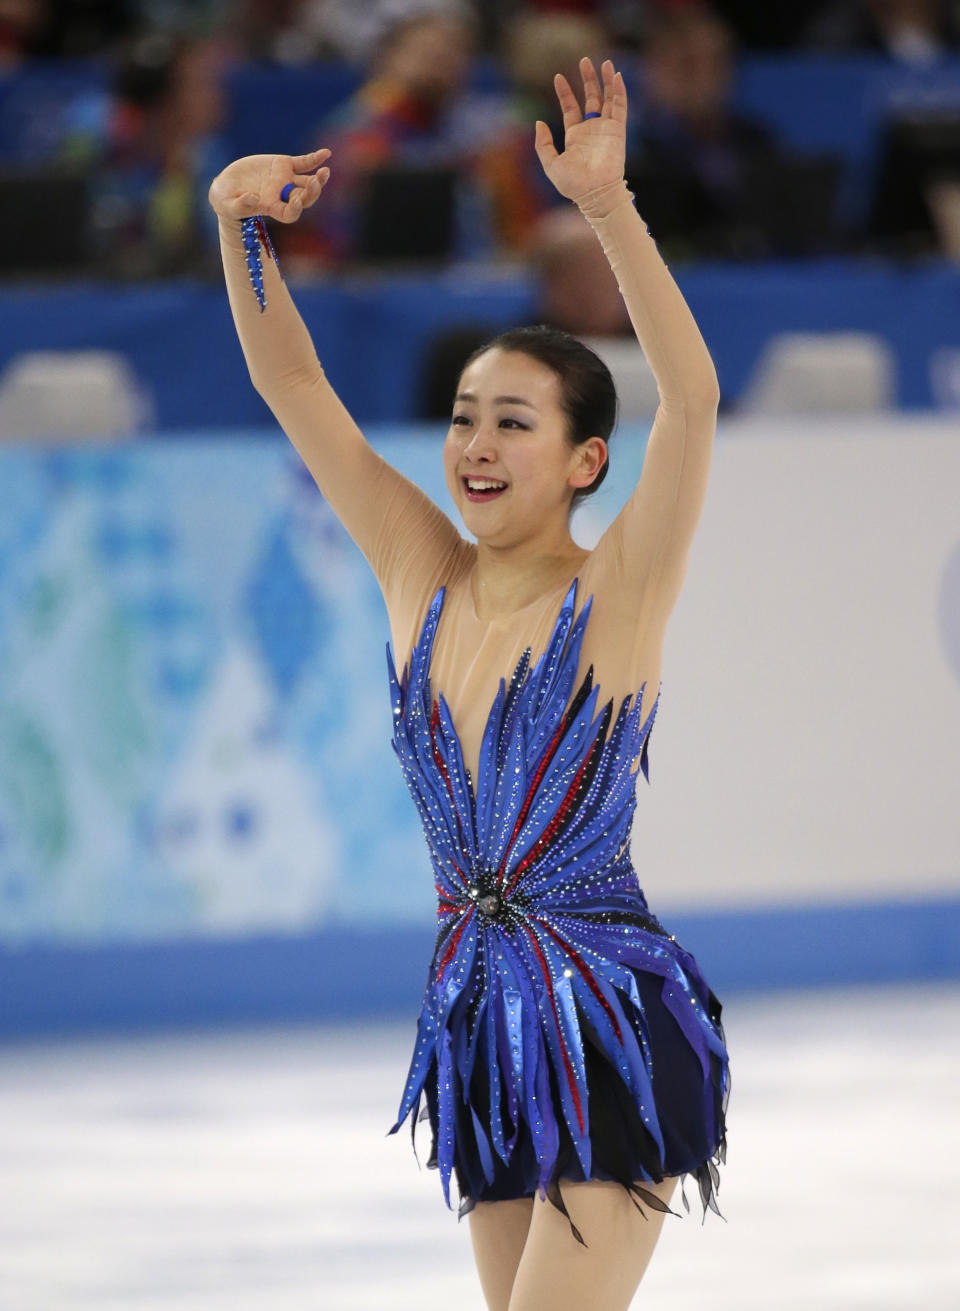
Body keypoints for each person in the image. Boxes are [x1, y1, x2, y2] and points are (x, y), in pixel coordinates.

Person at [208, 54, 730, 1311]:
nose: (475, 445)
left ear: (585, 458)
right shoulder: (415, 571)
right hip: (478, 1022)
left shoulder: (618, 593)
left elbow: (697, 400)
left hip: (606, 1017)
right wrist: (237, 224)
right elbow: (294, 384)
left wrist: (609, 210)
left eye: (513, 422)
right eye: (461, 416)